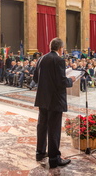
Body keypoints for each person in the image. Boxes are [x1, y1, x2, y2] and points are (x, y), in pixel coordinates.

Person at [33, 37, 75, 168]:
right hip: (55, 100)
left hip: (43, 98)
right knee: (54, 129)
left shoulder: (41, 58)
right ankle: (54, 158)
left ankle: (40, 152)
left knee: (42, 125)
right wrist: (71, 80)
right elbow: (61, 81)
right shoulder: (59, 60)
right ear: (60, 49)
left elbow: (35, 78)